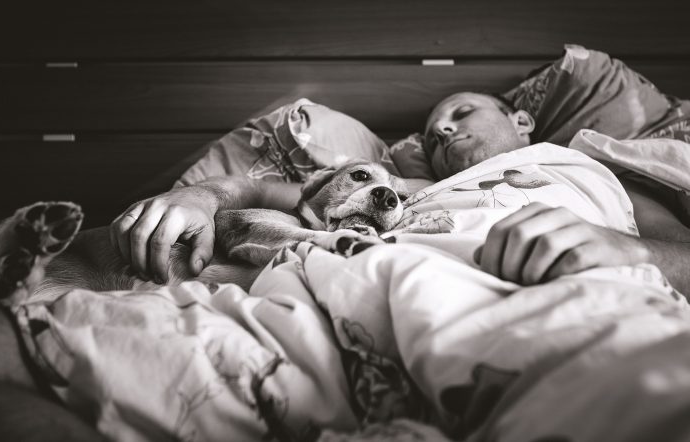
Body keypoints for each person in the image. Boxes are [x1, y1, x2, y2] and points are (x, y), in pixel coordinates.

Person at [110, 92, 690, 294]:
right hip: (380, 289)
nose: (443, 131)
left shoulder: (587, 170)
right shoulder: (406, 190)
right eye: (435, 133)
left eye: (461, 114)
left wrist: (630, 250)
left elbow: (681, 255)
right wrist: (198, 199)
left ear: (522, 122)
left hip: (573, 295)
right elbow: (258, 189)